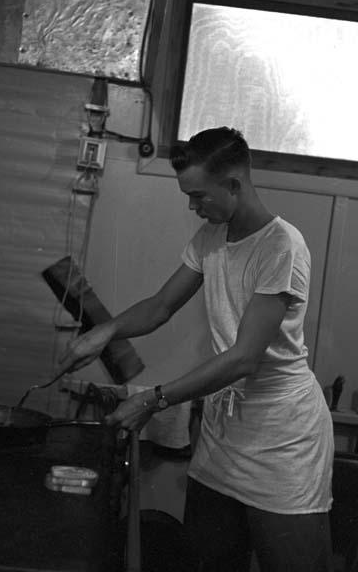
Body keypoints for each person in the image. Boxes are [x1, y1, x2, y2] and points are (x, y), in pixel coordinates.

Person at [61, 127, 335, 572]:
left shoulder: (281, 246)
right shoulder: (211, 239)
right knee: (209, 559)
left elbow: (245, 357)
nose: (193, 207)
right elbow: (161, 305)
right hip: (225, 435)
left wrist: (155, 397)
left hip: (282, 437)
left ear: (234, 184)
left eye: (199, 196)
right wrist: (104, 332)